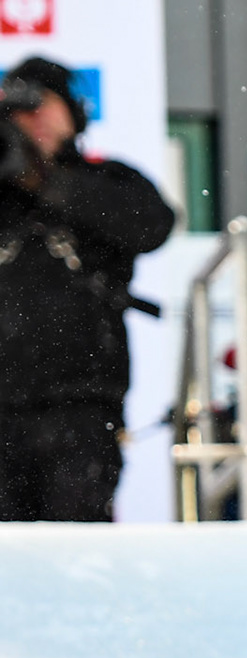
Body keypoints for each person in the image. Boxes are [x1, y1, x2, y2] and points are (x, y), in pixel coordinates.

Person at [0, 57, 174, 521]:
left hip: (80, 407)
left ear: (73, 113)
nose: (32, 119)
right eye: (20, 108)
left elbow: (152, 225)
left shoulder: (105, 179)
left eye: (43, 105)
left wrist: (47, 182)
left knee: (76, 553)